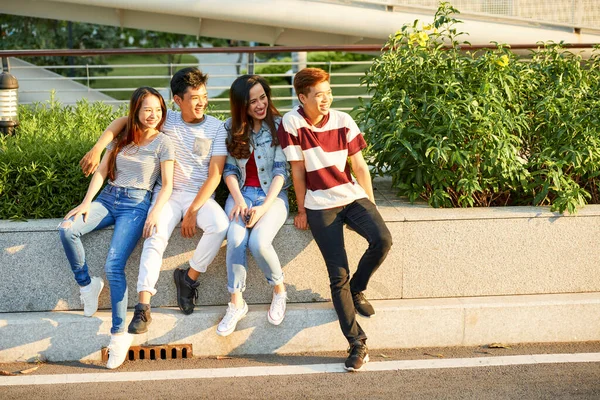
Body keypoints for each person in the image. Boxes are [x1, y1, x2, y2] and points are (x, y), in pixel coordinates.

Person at [79, 67, 229, 333]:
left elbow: (215, 174)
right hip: (167, 194)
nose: (201, 102)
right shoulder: (164, 118)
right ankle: (143, 307)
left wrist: (193, 210)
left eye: (204, 96)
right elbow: (121, 123)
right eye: (194, 97)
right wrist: (97, 148)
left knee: (220, 225)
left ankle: (189, 278)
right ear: (177, 100)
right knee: (154, 235)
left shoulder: (217, 127)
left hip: (199, 195)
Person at [277, 68, 393, 372]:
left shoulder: (343, 120)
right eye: (318, 94)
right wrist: (301, 209)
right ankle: (357, 344)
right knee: (337, 274)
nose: (325, 99)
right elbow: (298, 171)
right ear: (303, 97)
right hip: (319, 206)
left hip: (351, 196)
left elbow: (360, 166)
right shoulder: (292, 123)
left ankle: (358, 289)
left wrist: (370, 203)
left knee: (382, 239)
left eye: (328, 92)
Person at [59, 87, 174, 369]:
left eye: (158, 110)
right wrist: (87, 202)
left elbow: (168, 184)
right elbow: (102, 171)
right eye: (147, 109)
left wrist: (154, 212)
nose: (153, 115)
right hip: (109, 198)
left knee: (113, 266)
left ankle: (119, 335)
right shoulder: (123, 138)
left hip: (136, 205)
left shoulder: (164, 143)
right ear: (135, 110)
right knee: (66, 229)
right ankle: (87, 285)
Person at [216, 75, 290, 336]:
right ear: (241, 106)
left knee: (258, 242)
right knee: (236, 237)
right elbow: (228, 171)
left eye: (263, 97)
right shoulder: (230, 128)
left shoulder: (280, 125)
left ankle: (280, 290)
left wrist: (263, 207)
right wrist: (238, 200)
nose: (260, 105)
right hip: (241, 194)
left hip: (273, 196)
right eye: (252, 102)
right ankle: (236, 302)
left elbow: (282, 171)